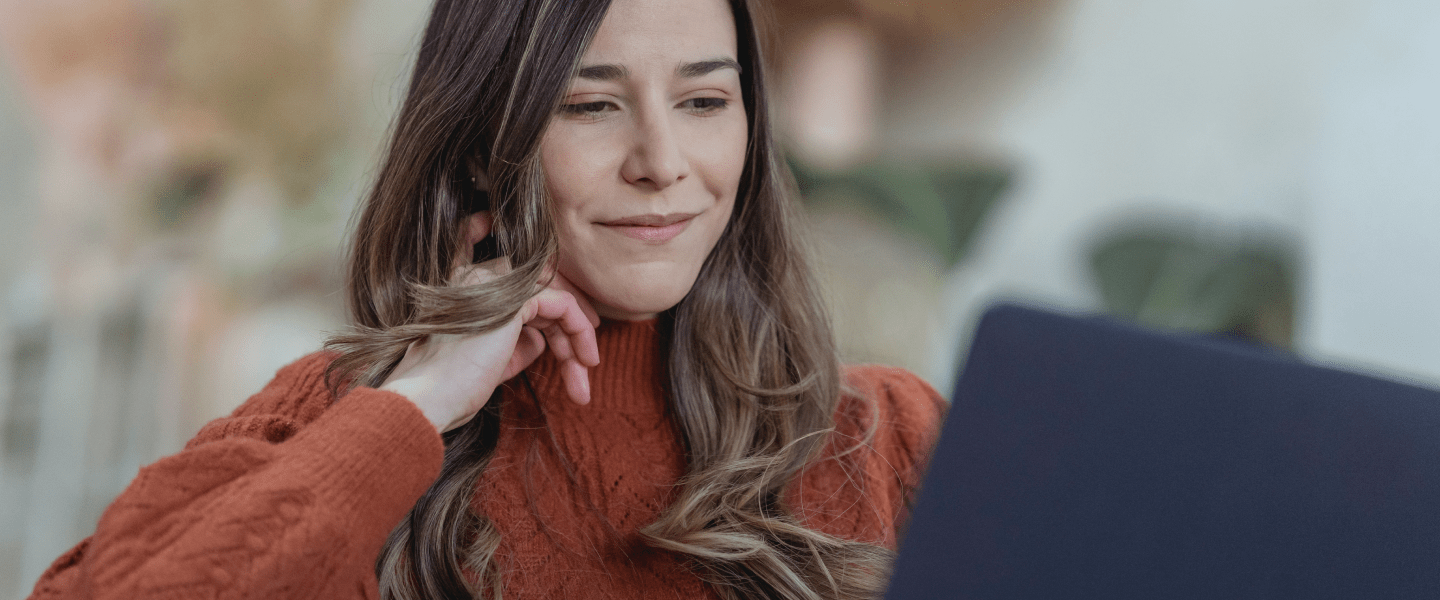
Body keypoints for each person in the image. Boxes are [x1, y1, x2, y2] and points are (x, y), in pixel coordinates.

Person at [28, 0, 945, 597]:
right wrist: (416, 406)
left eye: (706, 102)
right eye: (591, 107)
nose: (663, 164)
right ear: (480, 148)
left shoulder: (892, 439)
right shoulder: (336, 427)